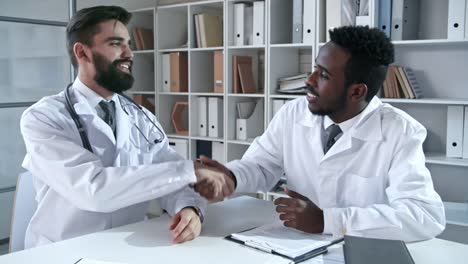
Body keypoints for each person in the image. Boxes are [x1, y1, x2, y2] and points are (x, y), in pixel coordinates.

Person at [198, 26, 445, 242]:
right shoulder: (293, 112)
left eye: (324, 75)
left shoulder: (400, 132)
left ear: (357, 91)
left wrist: (328, 221)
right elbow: (262, 165)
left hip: (360, 252)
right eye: (315, 68)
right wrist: (231, 176)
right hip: (294, 245)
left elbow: (424, 216)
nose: (310, 80)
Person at [20, 5, 230, 249]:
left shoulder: (141, 118)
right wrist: (189, 170)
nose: (129, 53)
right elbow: (93, 190)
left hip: (126, 246)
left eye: (128, 43)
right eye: (115, 43)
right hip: (63, 250)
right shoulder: (43, 118)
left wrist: (190, 208)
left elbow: (172, 179)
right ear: (82, 52)